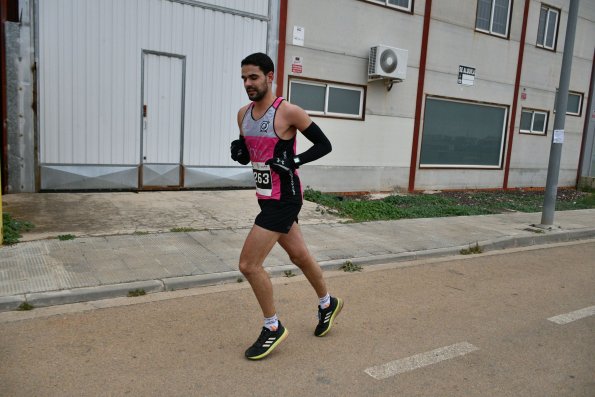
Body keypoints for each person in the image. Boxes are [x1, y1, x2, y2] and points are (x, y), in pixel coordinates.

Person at [231, 52, 343, 360]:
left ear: (270, 77)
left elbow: (324, 144)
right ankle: (327, 303)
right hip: (266, 196)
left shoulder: (288, 112)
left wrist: (292, 160)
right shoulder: (242, 114)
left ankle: (272, 327)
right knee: (299, 255)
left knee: (248, 264)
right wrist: (239, 150)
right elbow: (250, 151)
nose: (247, 83)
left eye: (253, 77)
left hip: (285, 198)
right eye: (243, 78)